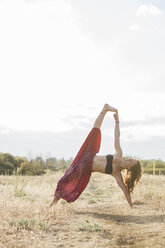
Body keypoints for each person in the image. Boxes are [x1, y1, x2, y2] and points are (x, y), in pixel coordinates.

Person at [51, 104, 142, 208]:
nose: (128, 159)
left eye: (130, 161)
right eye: (130, 159)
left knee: (64, 181)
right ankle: (105, 109)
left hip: (84, 169)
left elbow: (125, 191)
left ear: (129, 168)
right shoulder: (119, 155)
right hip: (87, 155)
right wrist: (117, 121)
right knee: (95, 132)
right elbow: (117, 137)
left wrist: (131, 206)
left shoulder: (117, 174)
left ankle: (53, 204)